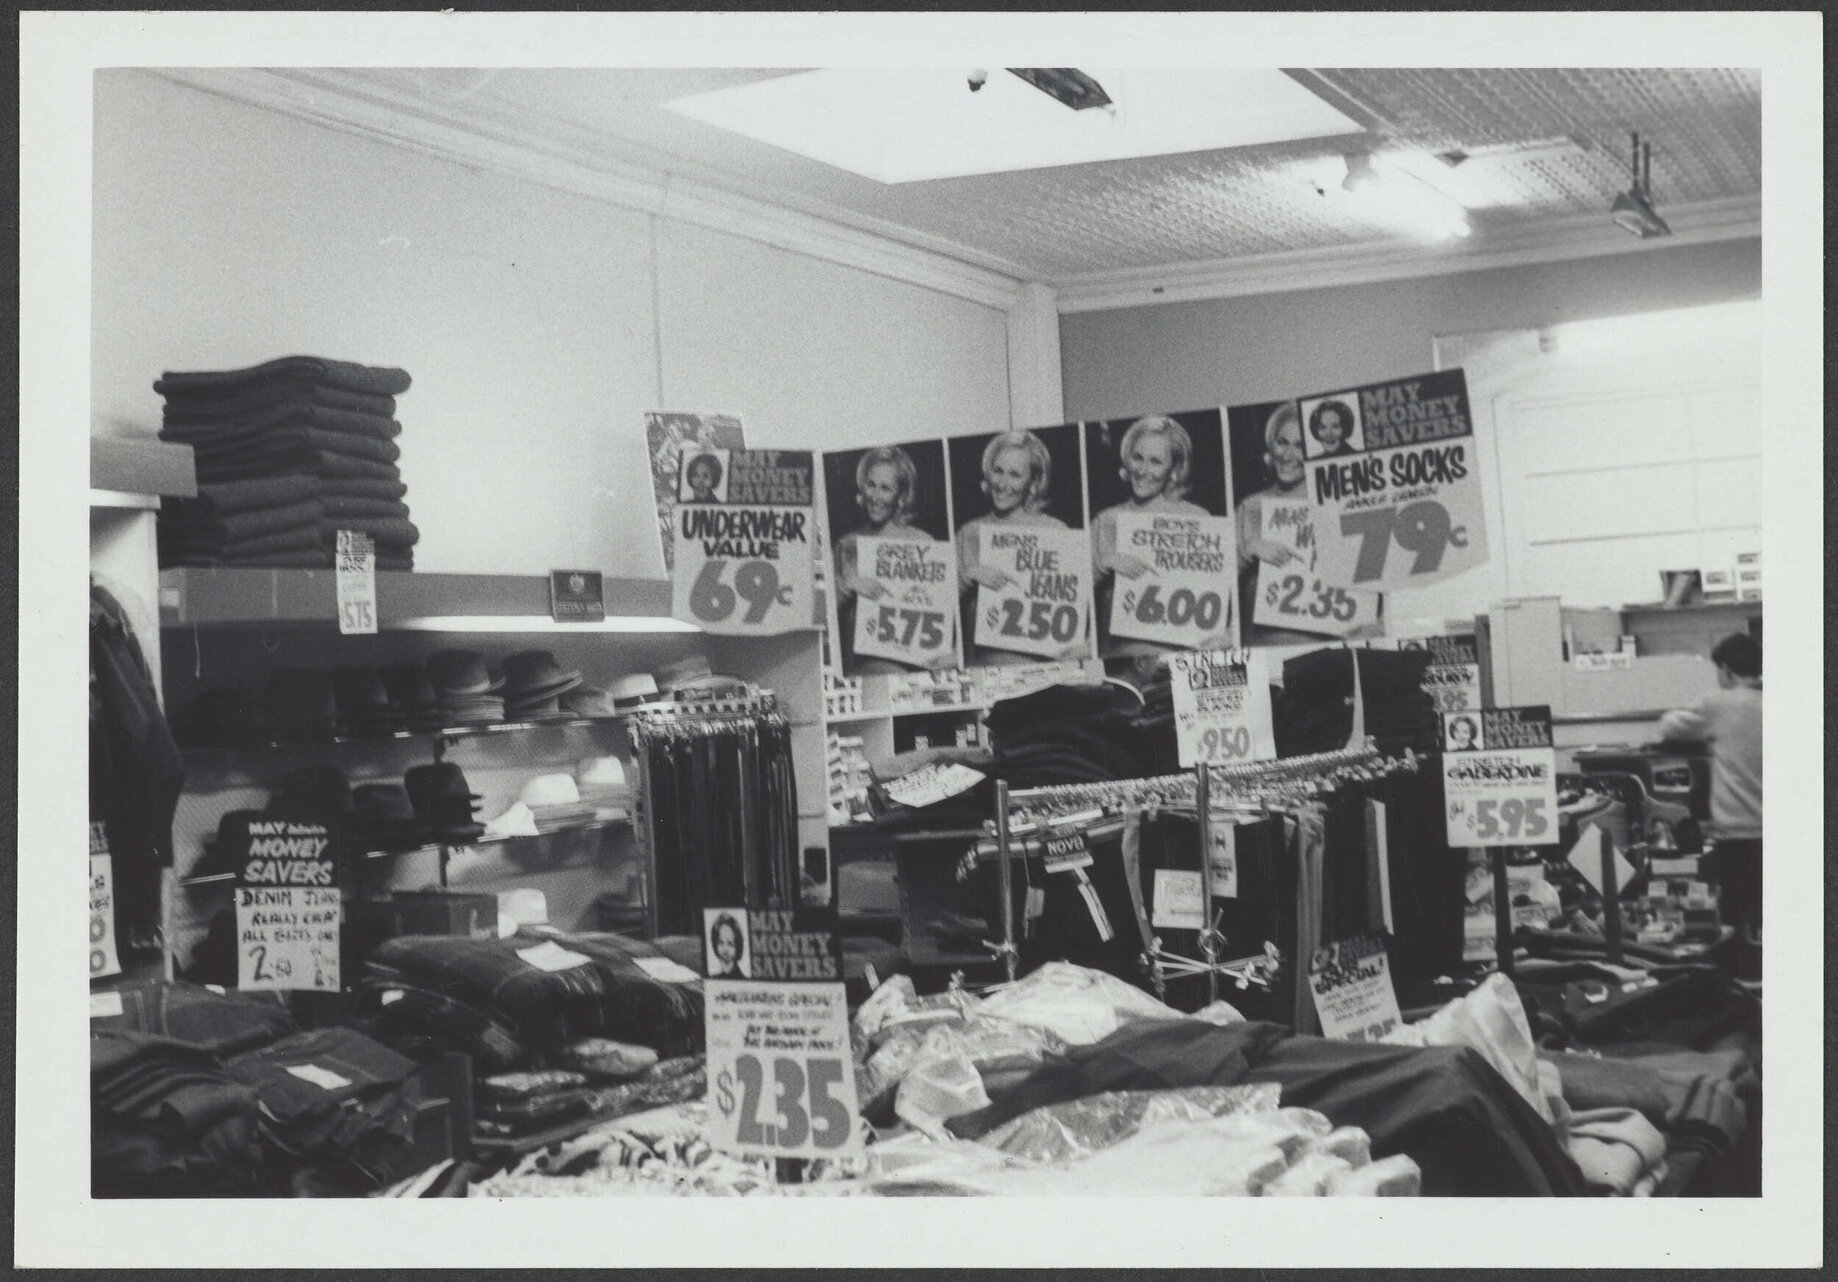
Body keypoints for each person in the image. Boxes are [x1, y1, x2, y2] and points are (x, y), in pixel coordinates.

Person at [1235, 403, 1380, 645]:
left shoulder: (1346, 505)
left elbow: (1388, 580)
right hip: (1265, 651)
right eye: (1282, 442)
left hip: (1332, 652)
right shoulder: (1251, 507)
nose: (1287, 455)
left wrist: (1381, 623)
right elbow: (1215, 582)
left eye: (1300, 446)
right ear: (1271, 444)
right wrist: (1248, 549)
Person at [1659, 632, 1763, 966]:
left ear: (1727, 671)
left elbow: (1671, 726)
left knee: (1735, 918)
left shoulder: (1720, 703)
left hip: (1737, 833)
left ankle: (1742, 978)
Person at [1091, 415, 1232, 656]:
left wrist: (1227, 635)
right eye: (1138, 457)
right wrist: (1104, 563)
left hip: (1185, 658)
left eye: (1156, 461)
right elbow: (1074, 594)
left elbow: (1227, 603)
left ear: (1174, 470)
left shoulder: (1199, 519)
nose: (1142, 470)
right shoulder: (1106, 521)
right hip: (1122, 660)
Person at [957, 431, 1083, 666]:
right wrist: (968, 576)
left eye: (1015, 475)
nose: (1002, 484)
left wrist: (1084, 646)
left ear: (1033, 483)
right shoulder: (969, 533)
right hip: (983, 674)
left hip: (1042, 675)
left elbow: (1083, 611)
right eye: (998, 471)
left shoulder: (1056, 532)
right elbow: (938, 605)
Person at [834, 447, 952, 674]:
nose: (875, 497)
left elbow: (941, 612)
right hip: (859, 670)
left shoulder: (922, 542)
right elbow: (828, 617)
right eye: (871, 485)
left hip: (916, 669)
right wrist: (848, 585)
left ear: (901, 496)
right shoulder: (846, 545)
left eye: (886, 488)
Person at [708, 912, 747, 978]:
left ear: (738, 946)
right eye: (721, 943)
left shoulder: (744, 980)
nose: (725, 950)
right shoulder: (713, 979)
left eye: (730, 944)